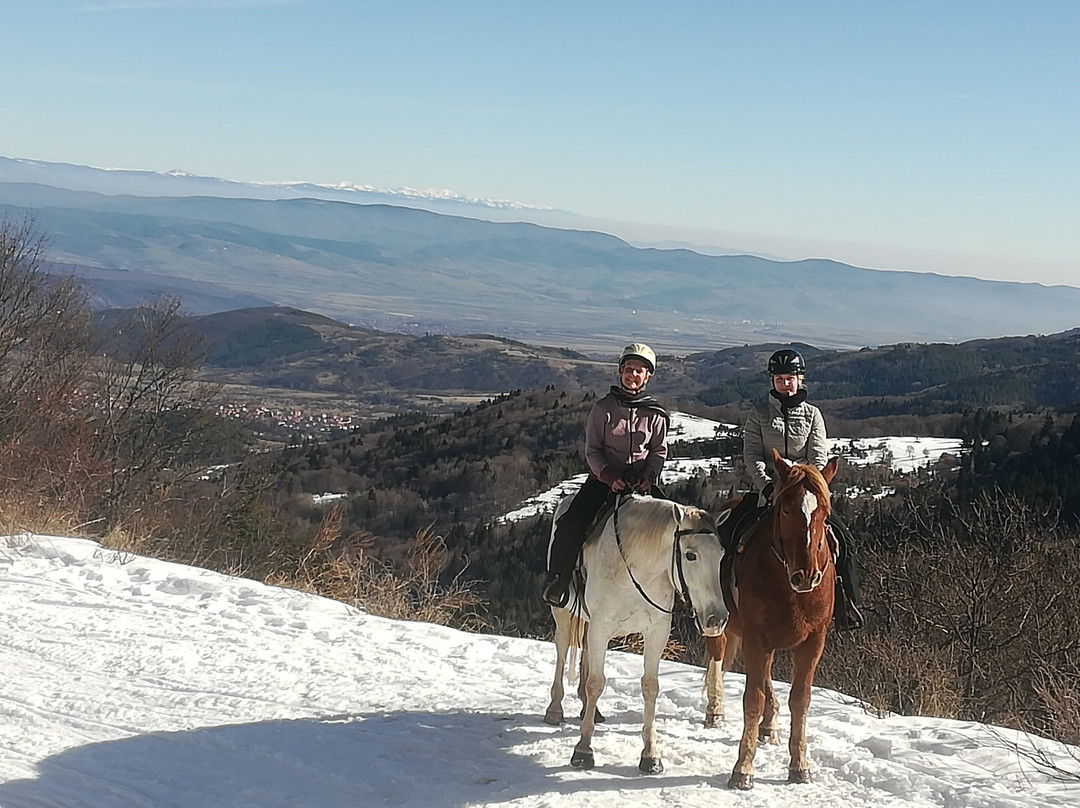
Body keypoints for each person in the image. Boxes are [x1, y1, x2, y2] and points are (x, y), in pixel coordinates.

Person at [724, 348, 864, 630]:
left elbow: (819, 458)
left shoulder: (812, 415)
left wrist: (805, 488)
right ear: (772, 381)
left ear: (800, 380)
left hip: (805, 496)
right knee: (728, 534)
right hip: (768, 493)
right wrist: (767, 488)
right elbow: (752, 455)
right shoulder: (759, 414)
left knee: (844, 543)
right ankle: (720, 599)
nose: (785, 384)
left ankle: (848, 606)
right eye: (779, 379)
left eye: (790, 378)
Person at [542, 342, 669, 608]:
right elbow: (593, 451)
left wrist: (650, 476)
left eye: (639, 371)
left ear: (648, 377)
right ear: (620, 372)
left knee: (673, 527)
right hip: (604, 481)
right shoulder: (603, 409)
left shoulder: (656, 414)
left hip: (641, 483)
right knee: (572, 523)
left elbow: (658, 450)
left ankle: (672, 590)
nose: (633, 375)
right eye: (629, 370)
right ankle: (558, 580)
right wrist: (610, 476)